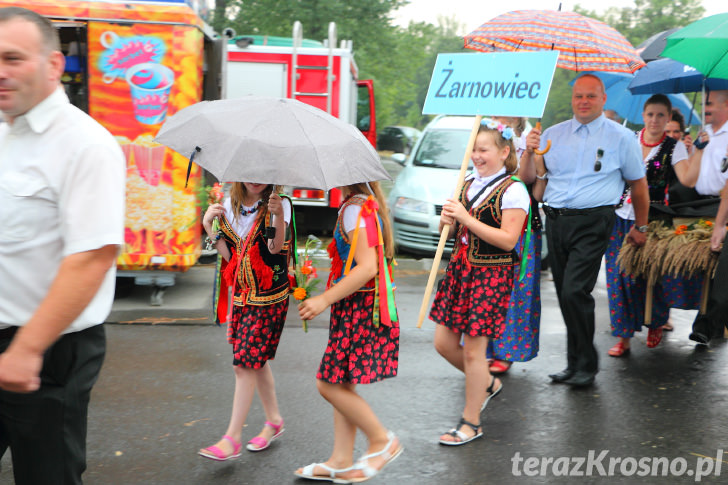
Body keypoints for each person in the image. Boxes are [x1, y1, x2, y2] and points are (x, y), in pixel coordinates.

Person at [0, 7, 125, 484]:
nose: (0, 70)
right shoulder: (5, 130)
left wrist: (28, 349)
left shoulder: (85, 145)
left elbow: (92, 256)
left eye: (13, 58)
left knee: (46, 475)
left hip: (48, 353)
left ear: (53, 65)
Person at [522, 74, 649, 387]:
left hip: (594, 221)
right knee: (566, 295)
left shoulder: (621, 137)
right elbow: (532, 180)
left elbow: (639, 185)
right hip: (556, 220)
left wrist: (641, 226)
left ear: (603, 99)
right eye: (579, 95)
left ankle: (587, 365)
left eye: (591, 96)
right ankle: (574, 362)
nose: (583, 101)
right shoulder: (551, 134)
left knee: (575, 290)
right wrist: (529, 151)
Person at [430, 120, 529, 445]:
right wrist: (449, 220)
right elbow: (459, 230)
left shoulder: (514, 189)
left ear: (504, 152)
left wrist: (465, 218)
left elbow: (507, 240)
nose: (476, 155)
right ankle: (486, 382)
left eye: (483, 149)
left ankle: (471, 422)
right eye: (473, 148)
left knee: (474, 353)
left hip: (491, 276)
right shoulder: (468, 182)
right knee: (443, 344)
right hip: (460, 272)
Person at [294, 182, 402, 482]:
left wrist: (324, 299)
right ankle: (341, 459)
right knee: (340, 382)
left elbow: (368, 267)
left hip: (362, 308)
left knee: (327, 385)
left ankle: (382, 440)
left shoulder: (355, 209)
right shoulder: (361, 204)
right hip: (358, 306)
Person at [605, 95, 705, 357]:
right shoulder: (628, 139)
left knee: (652, 277)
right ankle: (623, 337)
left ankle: (656, 322)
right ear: (643, 114)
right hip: (619, 216)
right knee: (618, 278)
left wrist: (701, 149)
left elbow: (688, 179)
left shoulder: (674, 147)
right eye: (650, 114)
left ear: (668, 118)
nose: (654, 120)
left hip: (654, 218)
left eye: (661, 115)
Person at [199, 183, 292, 460]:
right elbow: (231, 257)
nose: (255, 179)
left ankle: (232, 438)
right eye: (249, 172)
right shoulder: (228, 205)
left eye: (261, 173)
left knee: (243, 364)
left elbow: (275, 250)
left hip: (268, 297)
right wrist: (208, 226)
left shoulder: (280, 203)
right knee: (255, 361)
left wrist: (276, 216)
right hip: (242, 294)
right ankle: (274, 421)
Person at [487, 116, 541, 374]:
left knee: (514, 289)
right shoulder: (484, 133)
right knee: (485, 287)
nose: (498, 114)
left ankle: (506, 350)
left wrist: (529, 151)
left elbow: (526, 179)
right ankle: (483, 347)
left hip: (518, 225)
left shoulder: (532, 138)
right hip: (486, 222)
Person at [689, 89, 728, 344]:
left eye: (710, 103)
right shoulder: (705, 133)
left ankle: (709, 322)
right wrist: (693, 148)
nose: (705, 107)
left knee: (722, 270)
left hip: (722, 206)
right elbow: (691, 175)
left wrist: (720, 224)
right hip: (697, 204)